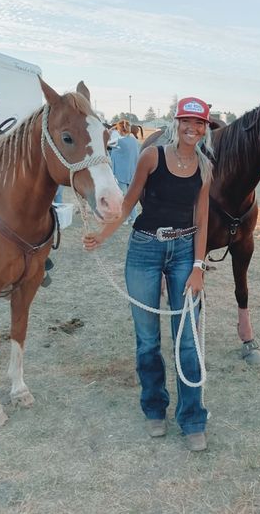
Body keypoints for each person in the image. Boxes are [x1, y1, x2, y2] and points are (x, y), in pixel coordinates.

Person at [83, 97, 213, 451]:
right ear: (176, 122)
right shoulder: (151, 157)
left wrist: (199, 267)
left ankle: (192, 418)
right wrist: (103, 235)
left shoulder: (204, 166)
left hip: (185, 251)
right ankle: (154, 407)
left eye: (200, 123)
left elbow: (202, 220)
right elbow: (128, 204)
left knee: (187, 339)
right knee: (148, 339)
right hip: (144, 249)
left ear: (205, 128)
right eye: (188, 121)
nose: (193, 128)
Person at [110, 120, 140, 224]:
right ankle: (134, 217)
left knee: (123, 197)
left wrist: (110, 130)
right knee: (129, 196)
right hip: (132, 172)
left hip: (121, 173)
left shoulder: (118, 141)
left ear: (119, 130)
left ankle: (125, 218)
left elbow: (105, 142)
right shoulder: (134, 141)